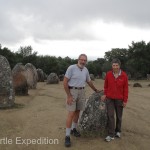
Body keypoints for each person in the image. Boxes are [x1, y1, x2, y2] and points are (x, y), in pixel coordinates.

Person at [63, 54, 99, 147]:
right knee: (71, 113)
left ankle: (73, 129)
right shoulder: (71, 68)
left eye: (85, 60)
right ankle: (67, 136)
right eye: (81, 60)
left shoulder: (86, 70)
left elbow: (89, 81)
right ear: (78, 59)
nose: (83, 61)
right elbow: (65, 82)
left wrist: (95, 90)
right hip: (72, 91)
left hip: (82, 91)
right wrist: (69, 95)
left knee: (78, 112)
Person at [101, 58, 128, 142]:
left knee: (119, 116)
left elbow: (126, 89)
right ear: (111, 66)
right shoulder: (108, 74)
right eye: (113, 65)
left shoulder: (124, 75)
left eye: (117, 65)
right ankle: (111, 134)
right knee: (110, 116)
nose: (115, 67)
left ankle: (118, 131)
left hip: (119, 99)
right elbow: (105, 86)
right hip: (109, 99)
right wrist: (105, 94)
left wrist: (125, 100)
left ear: (119, 66)